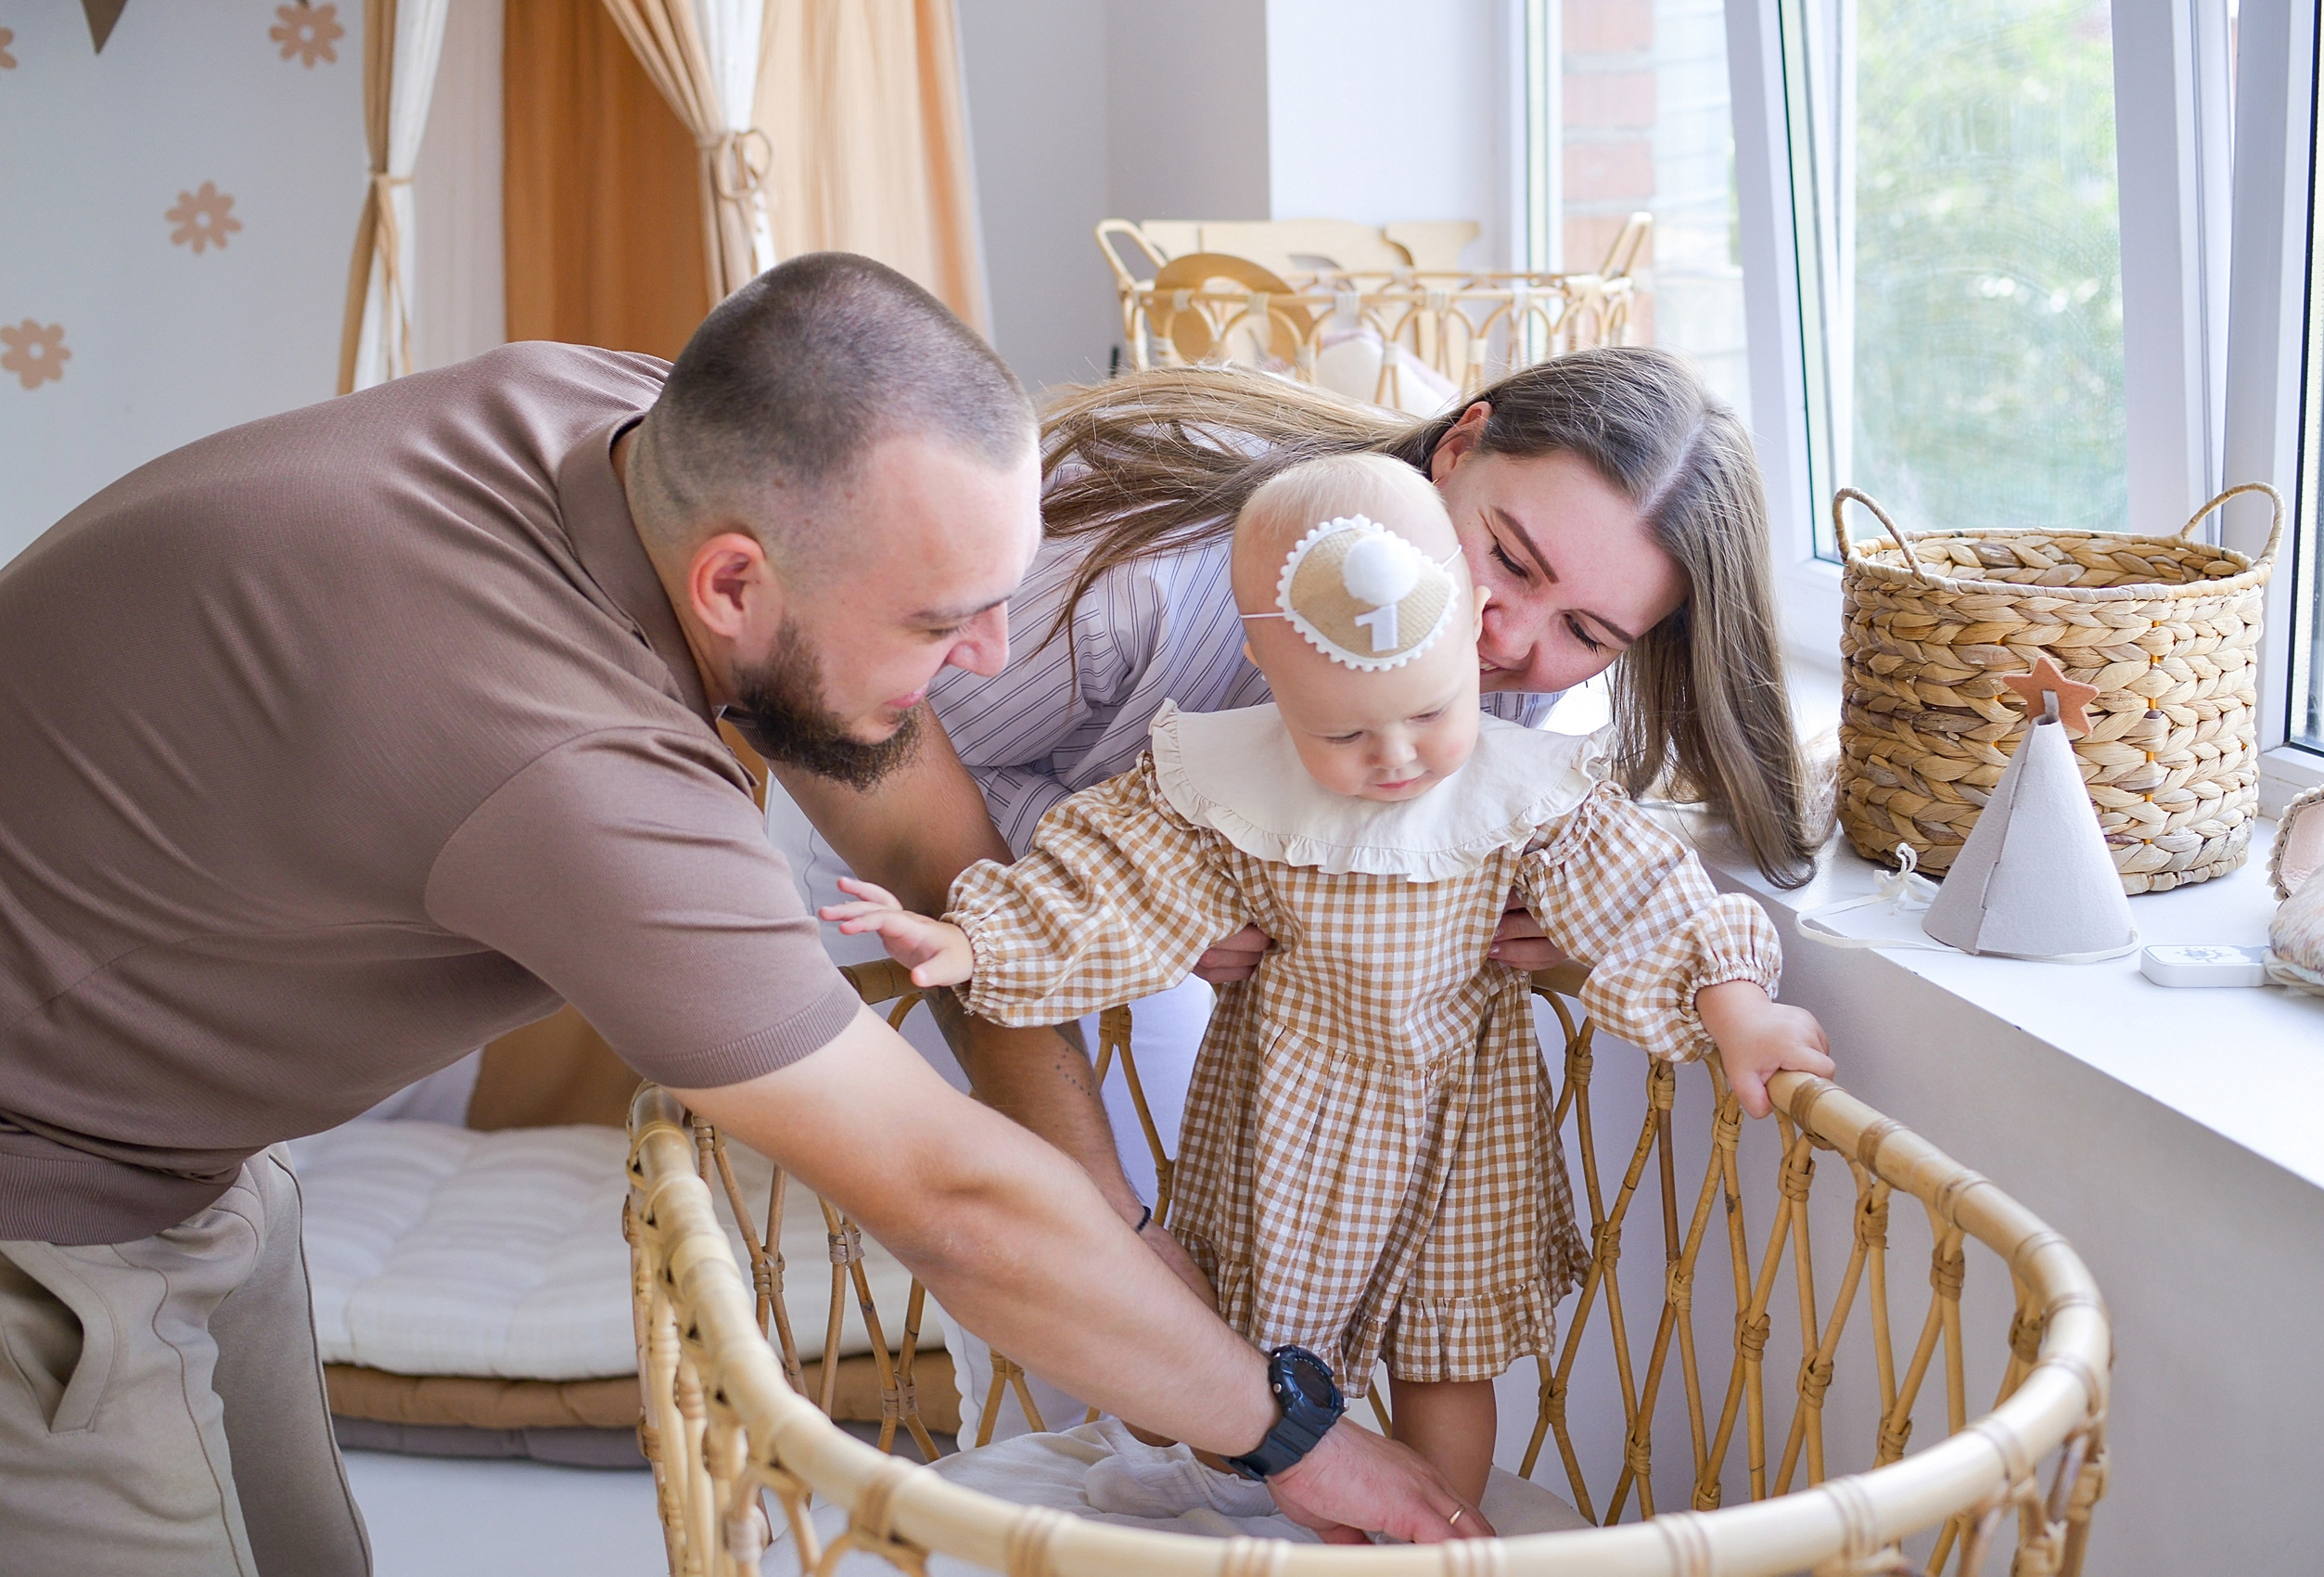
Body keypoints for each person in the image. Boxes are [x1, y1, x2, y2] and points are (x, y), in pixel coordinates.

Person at [0, 255, 1479, 1577]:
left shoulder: (627, 424)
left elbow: (920, 835)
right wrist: (1296, 1438)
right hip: (42, 1210)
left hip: (184, 1157)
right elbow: (946, 1201)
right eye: (937, 618)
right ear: (731, 585)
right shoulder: (567, 762)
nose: (989, 656)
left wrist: (1105, 1211)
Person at [824, 454, 1833, 1502]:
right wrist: (977, 940)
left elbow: (1650, 893)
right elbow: (1106, 877)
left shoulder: (1520, 780)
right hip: (1291, 1103)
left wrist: (1738, 1006)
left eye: (1429, 714)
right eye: (1344, 732)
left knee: (1448, 1352)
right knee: (1245, 1337)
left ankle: (1435, 1525)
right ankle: (1255, 1517)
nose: (1396, 758)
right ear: (1271, 677)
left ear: (1463, 626)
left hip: (1465, 1114)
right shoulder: (1222, 774)